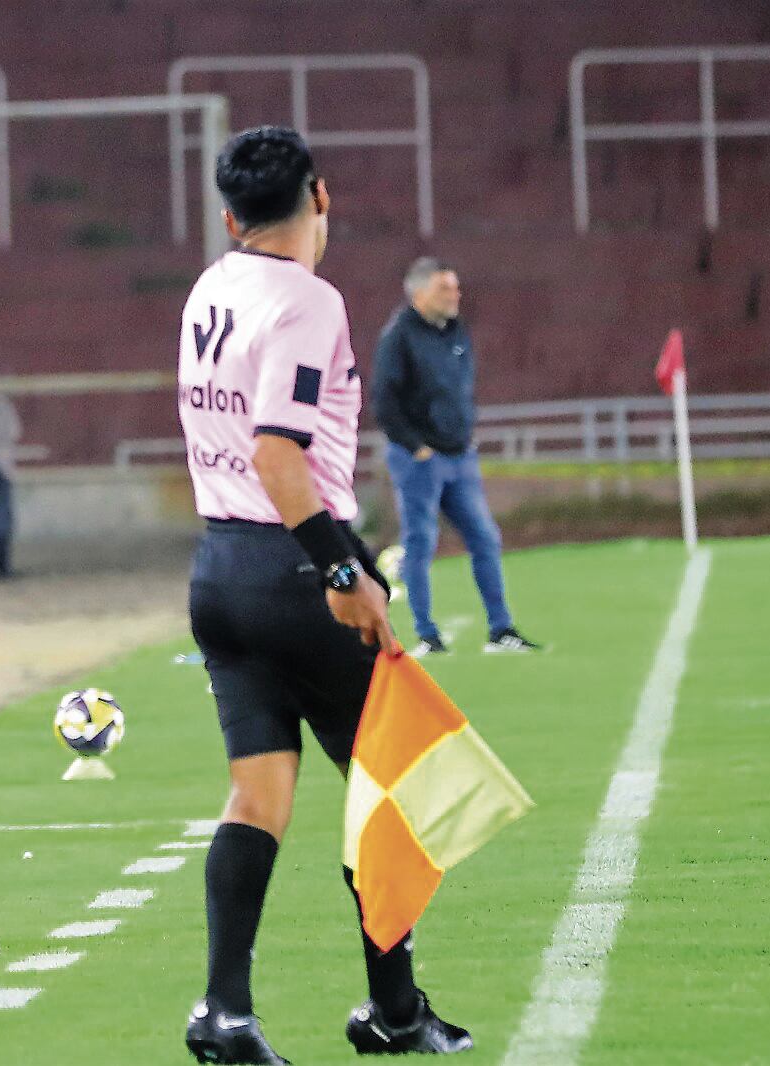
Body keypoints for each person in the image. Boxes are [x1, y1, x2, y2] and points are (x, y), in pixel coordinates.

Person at [177, 126, 472, 1064]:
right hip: (298, 567)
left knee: (257, 795)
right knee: (394, 793)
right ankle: (395, 1012)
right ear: (321, 197)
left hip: (221, 569)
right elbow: (277, 454)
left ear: (231, 218)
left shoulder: (211, 286)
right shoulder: (308, 300)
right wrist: (343, 571)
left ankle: (224, 1013)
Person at [372, 257, 540, 657]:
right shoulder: (398, 336)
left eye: (454, 287)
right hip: (419, 460)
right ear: (418, 293)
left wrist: (463, 434)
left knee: (485, 537)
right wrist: (417, 447)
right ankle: (426, 634)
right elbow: (384, 401)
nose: (454, 295)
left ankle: (501, 629)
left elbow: (457, 390)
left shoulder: (456, 330)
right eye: (443, 288)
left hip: (459, 457)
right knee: (421, 542)